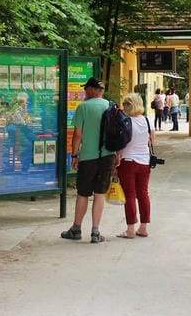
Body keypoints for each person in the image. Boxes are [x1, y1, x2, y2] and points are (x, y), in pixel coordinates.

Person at [62, 77, 116, 244]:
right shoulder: (111, 106)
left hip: (88, 157)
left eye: (86, 88)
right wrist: (118, 155)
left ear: (93, 90)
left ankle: (76, 229)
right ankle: (95, 232)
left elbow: (78, 135)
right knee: (99, 194)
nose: (85, 91)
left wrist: (74, 155)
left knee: (83, 193)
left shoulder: (83, 107)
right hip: (108, 156)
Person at [114, 92, 153, 238]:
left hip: (128, 161)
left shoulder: (125, 122)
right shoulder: (147, 121)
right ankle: (143, 227)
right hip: (144, 162)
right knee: (143, 194)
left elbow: (122, 144)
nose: (123, 106)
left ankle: (130, 229)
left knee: (129, 194)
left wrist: (117, 159)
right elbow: (151, 140)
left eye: (125, 104)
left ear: (129, 105)